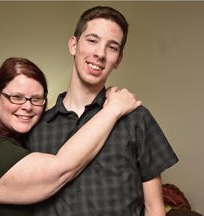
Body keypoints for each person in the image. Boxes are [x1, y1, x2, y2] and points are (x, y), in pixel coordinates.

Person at [0, 57, 141, 215]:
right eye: (16, 97)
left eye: (36, 99)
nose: (27, 107)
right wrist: (113, 110)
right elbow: (59, 171)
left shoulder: (22, 135)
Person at [28, 6, 179, 216]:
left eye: (112, 47)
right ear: (73, 45)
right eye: (92, 40)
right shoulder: (34, 127)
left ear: (118, 59)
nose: (99, 53)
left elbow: (154, 208)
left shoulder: (136, 119)